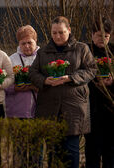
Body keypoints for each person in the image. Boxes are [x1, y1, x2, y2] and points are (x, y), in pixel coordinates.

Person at [29, 16, 97, 168]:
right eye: (54, 33)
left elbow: (91, 70)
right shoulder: (43, 52)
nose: (58, 36)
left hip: (74, 107)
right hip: (48, 107)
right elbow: (32, 73)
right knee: (53, 150)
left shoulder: (81, 48)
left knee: (71, 150)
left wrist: (70, 78)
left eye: (61, 32)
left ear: (69, 31)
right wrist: (45, 81)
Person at [85, 17, 114, 168]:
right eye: (99, 35)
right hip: (92, 107)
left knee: (111, 150)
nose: (102, 39)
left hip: (111, 108)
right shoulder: (86, 50)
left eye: (106, 36)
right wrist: (94, 81)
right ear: (91, 34)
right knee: (92, 150)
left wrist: (112, 81)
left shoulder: (113, 51)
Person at [5, 25, 39, 118]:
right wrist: (15, 88)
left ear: (35, 40)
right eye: (23, 43)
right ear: (18, 43)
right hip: (16, 111)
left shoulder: (43, 57)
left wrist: (37, 87)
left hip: (40, 111)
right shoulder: (11, 59)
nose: (27, 46)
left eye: (29, 42)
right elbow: (4, 85)